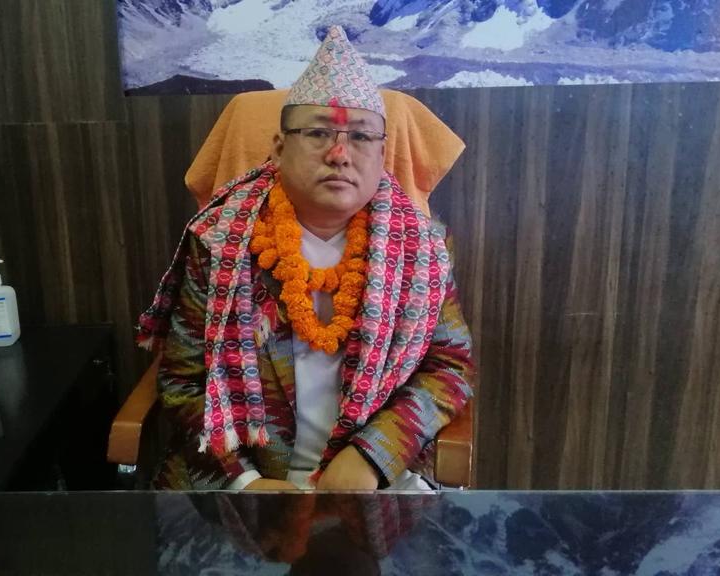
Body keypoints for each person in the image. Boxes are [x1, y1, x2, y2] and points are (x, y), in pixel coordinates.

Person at [137, 26, 475, 491]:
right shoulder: (218, 241)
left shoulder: (423, 246)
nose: (339, 154)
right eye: (317, 132)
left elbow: (449, 366)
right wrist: (245, 483)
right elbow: (183, 380)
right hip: (239, 479)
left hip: (376, 480)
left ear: (382, 153)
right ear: (278, 148)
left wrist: (371, 457)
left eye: (361, 137)